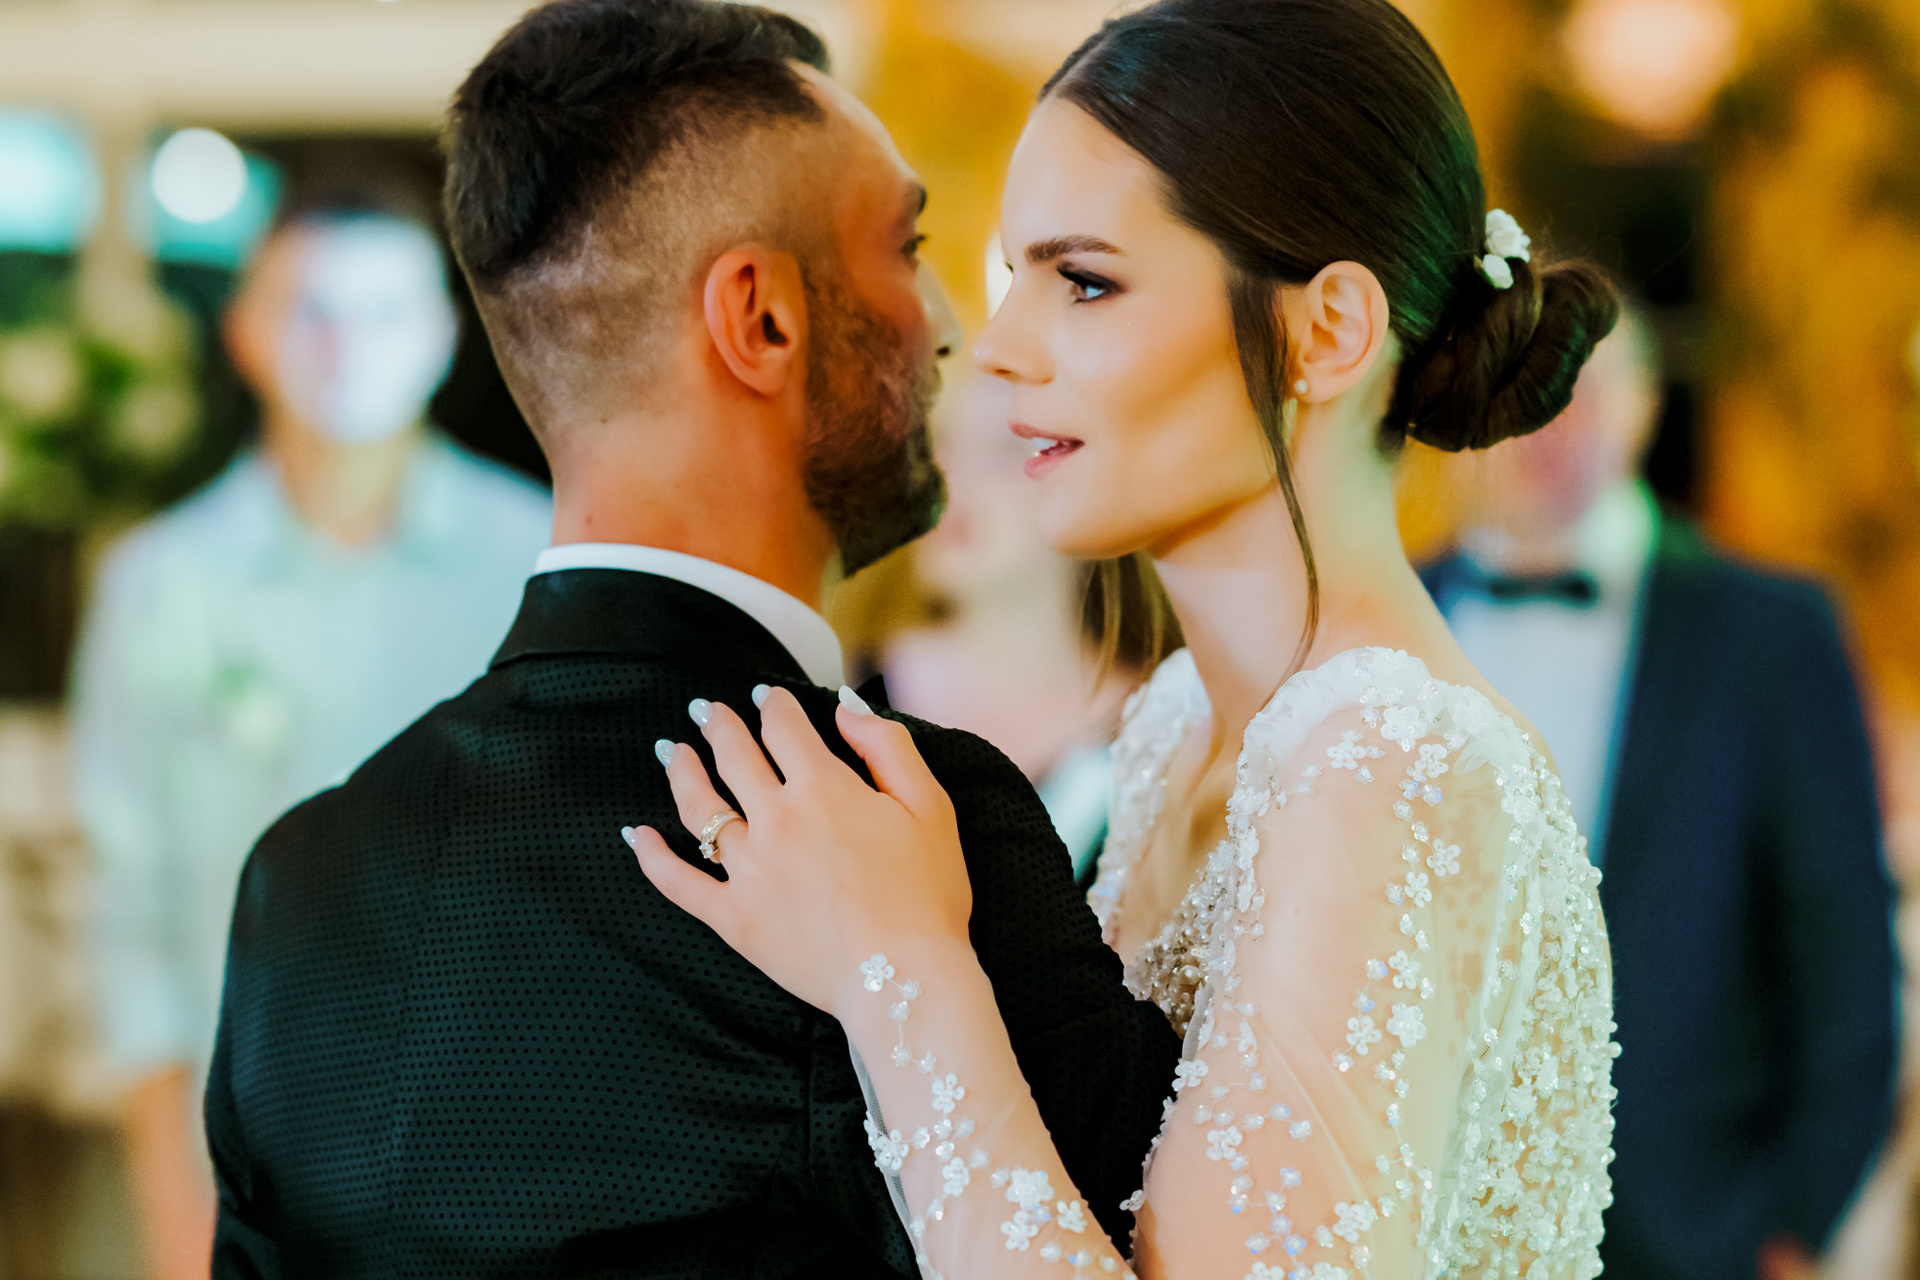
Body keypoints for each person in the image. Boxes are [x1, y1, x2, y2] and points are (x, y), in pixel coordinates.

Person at [631, 0, 1621, 1276]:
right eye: (1014, 281)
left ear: (1328, 331)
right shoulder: (1181, 723)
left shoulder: (1384, 765)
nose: (998, 352)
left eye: (1085, 281)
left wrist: (897, 966)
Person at [201, 2, 1181, 1276]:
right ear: (759, 318)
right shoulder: (908, 823)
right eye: (908, 247)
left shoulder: (297, 884)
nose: (951, 325)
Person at [69, 170, 551, 1280]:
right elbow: (129, 916)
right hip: (250, 1167)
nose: (346, 350)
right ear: (245, 331)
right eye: (310, 311)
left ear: (442, 335)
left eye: (383, 312)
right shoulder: (160, 583)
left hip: (499, 1155)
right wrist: (178, 1212)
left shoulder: (536, 559)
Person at [1421, 309, 1897, 1280]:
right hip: (1419, 1223)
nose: (1545, 422)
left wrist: (1796, 1231)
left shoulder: (1774, 634)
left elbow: (1846, 960)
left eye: (1581, 389)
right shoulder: (1383, 623)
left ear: (1643, 405)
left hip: (1692, 1235)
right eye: (1514, 390)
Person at [880, 372, 1140, 883]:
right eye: (940, 445)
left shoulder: (1159, 731)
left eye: (1005, 451)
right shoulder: (841, 689)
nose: (950, 479)